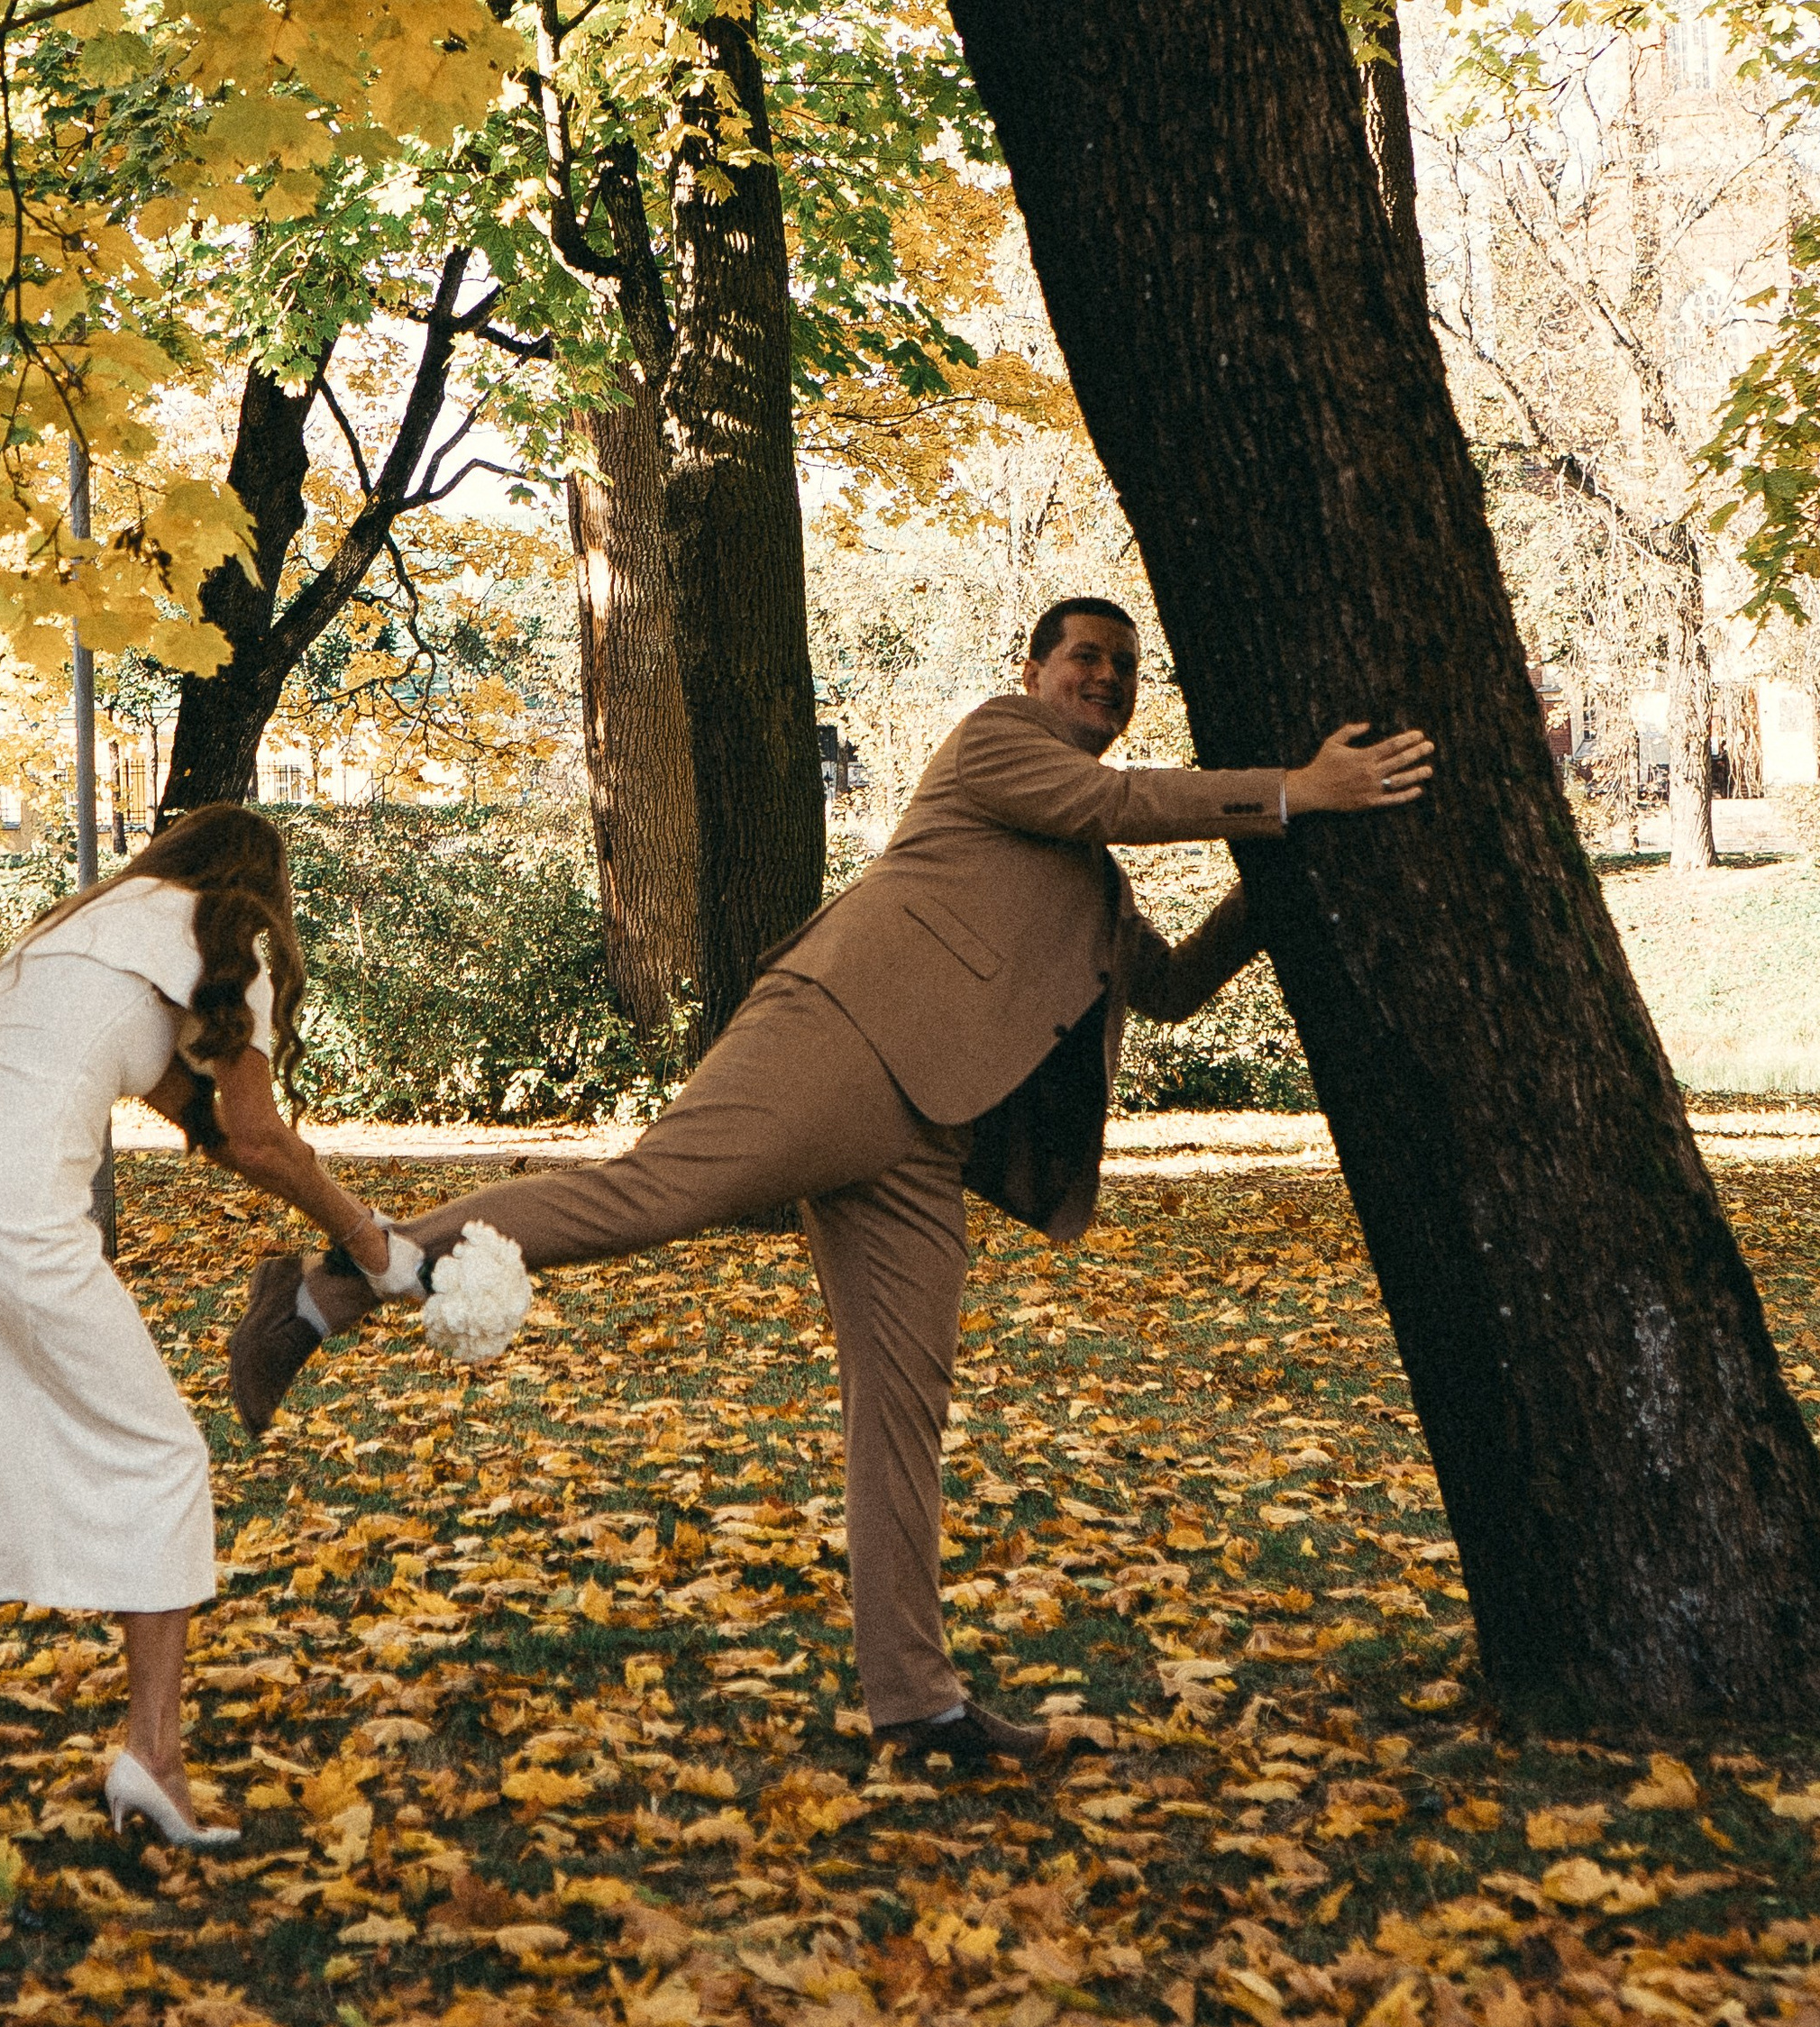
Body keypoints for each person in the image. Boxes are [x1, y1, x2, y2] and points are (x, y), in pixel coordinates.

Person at [228, 603, 1432, 1777]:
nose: (1104, 680)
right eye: (1084, 657)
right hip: (839, 1038)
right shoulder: (998, 742)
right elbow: (1111, 800)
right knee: (647, 1196)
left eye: (1123, 668)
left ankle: (918, 1708)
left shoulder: (1102, 891)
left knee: (902, 1406)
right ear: (1034, 670)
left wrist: (1284, 878)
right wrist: (1292, 790)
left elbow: (1165, 990)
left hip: (926, 1142)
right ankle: (332, 1286)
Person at [0, 804, 416, 1857]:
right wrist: (371, 1242)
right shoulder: (220, 941)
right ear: (260, 889)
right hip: (12, 1207)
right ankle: (152, 1757)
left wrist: (332, 1216)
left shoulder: (78, 927)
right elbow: (253, 1138)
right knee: (162, 1456)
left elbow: (186, 1108)